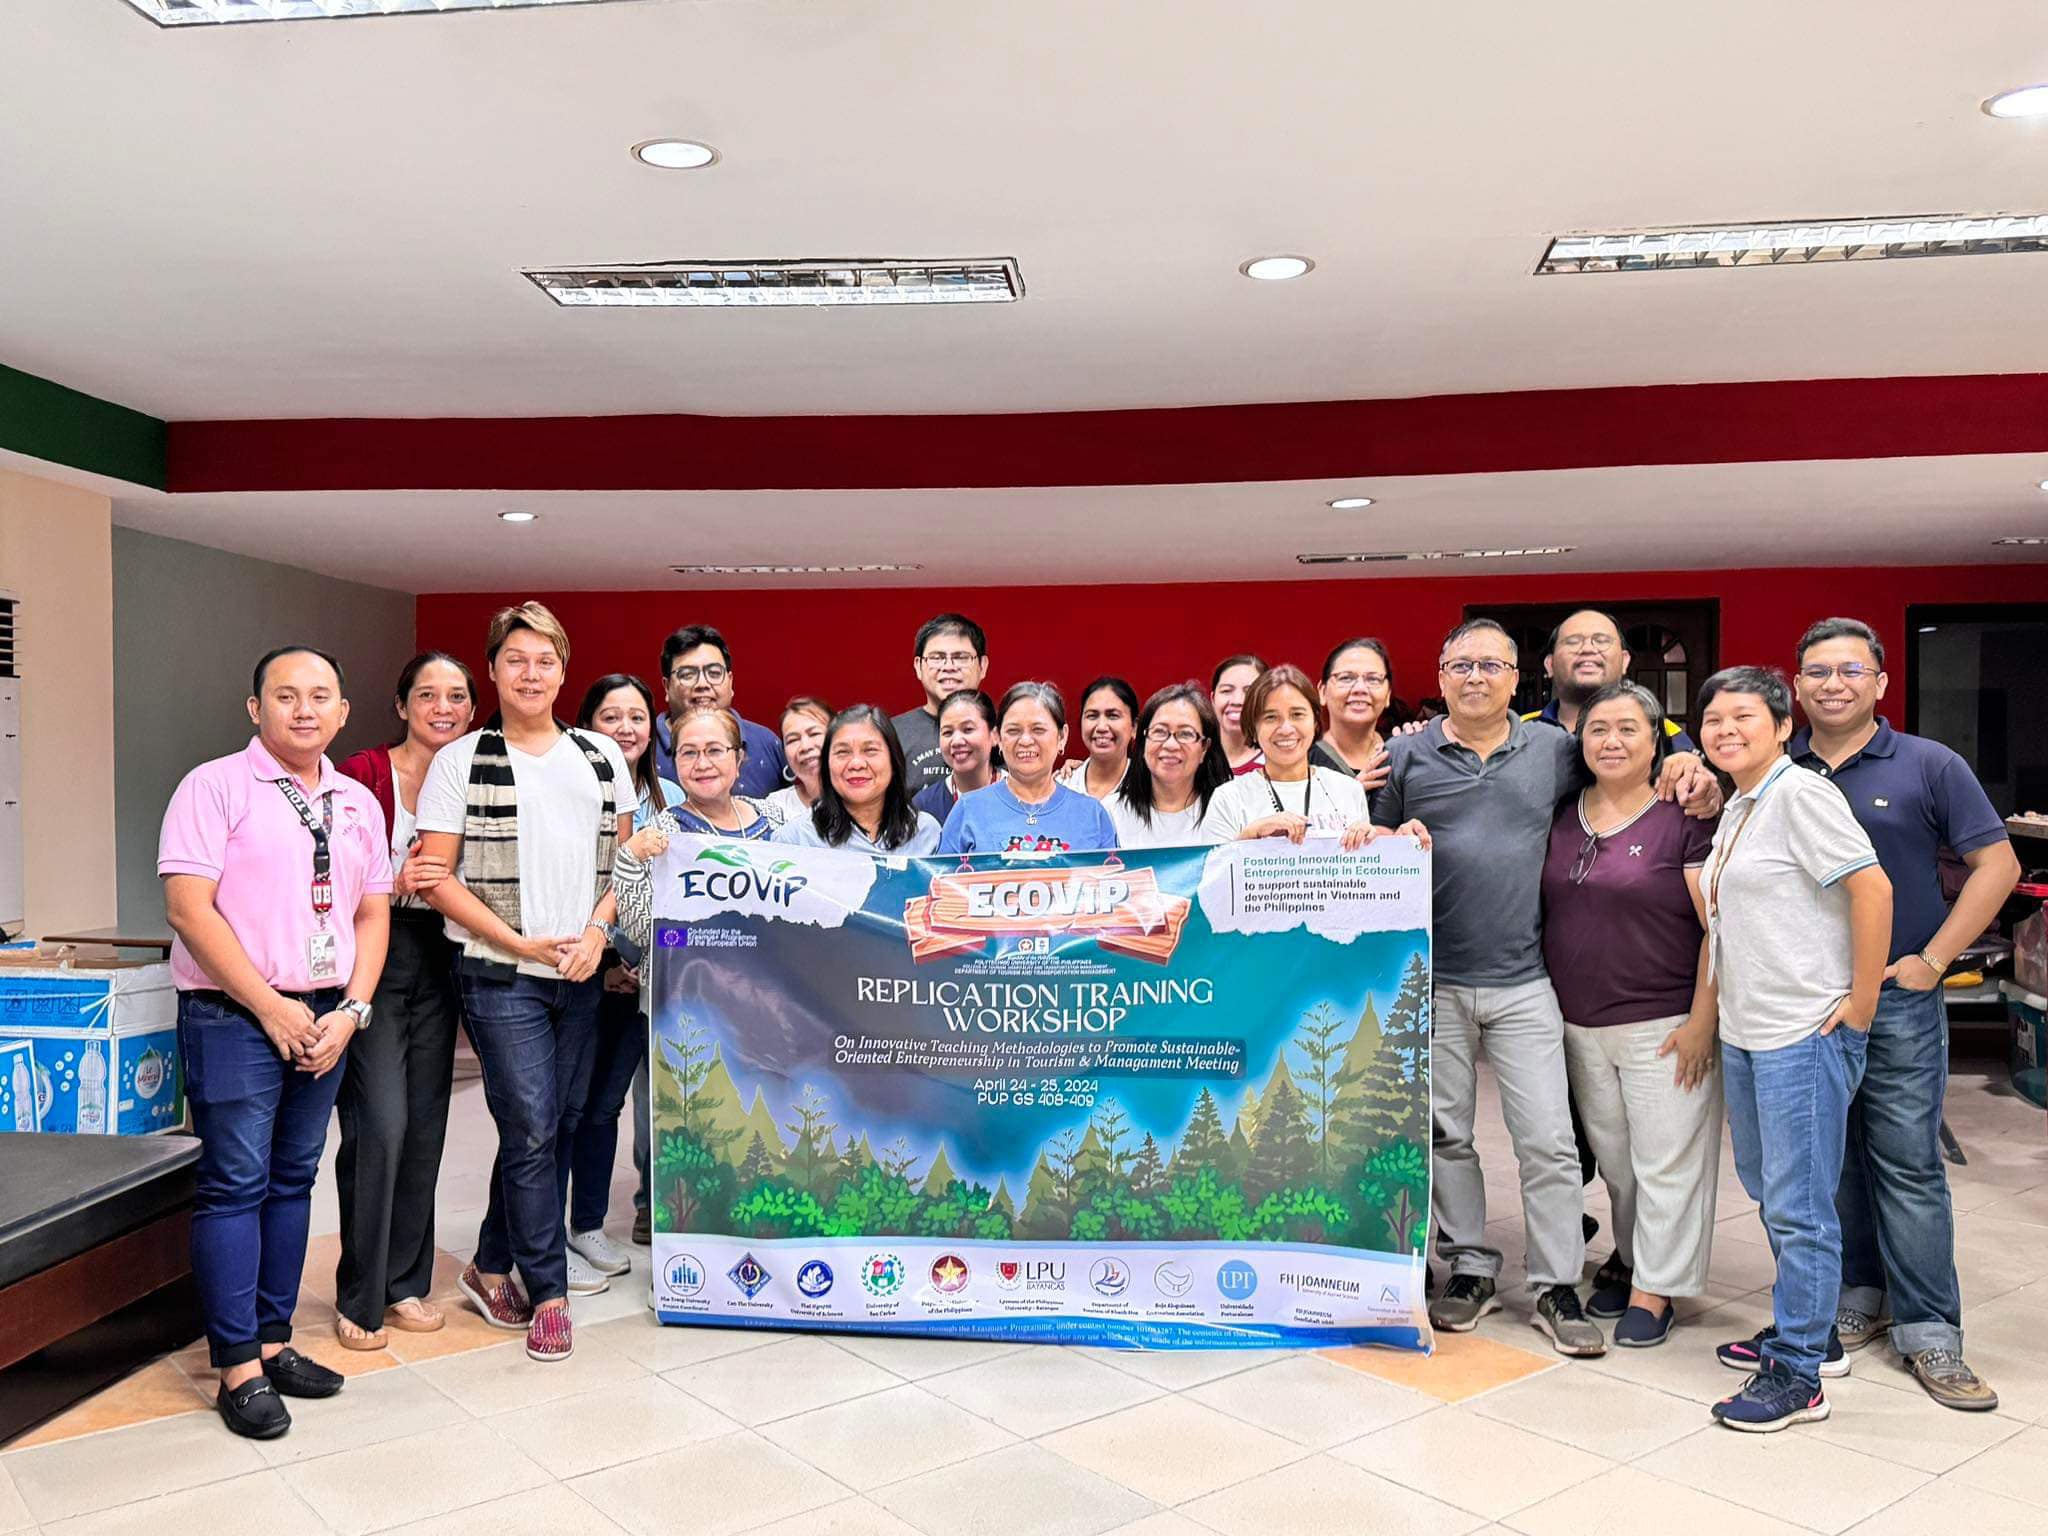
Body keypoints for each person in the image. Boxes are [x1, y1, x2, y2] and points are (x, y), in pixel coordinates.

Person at [1372, 618, 1721, 1359]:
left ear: (1514, 678)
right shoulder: (1404, 755)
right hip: (1432, 980)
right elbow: (1367, 845)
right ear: (1438, 677)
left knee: (1551, 1142)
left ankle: (1557, 1281)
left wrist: (1690, 768)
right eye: (1460, 664)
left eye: (1490, 665)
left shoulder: (1556, 749)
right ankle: (1469, 1265)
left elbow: (1627, 763)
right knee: (1446, 1136)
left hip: (1528, 980)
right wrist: (1389, 835)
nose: (1474, 677)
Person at [159, 646, 391, 1438]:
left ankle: (273, 1339)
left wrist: (351, 1010)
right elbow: (191, 911)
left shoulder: (359, 801)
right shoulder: (213, 787)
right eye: (284, 695)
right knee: (235, 1183)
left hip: (328, 1015)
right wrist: (272, 1008)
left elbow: (371, 912)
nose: (303, 709)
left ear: (343, 712)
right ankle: (236, 1366)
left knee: (294, 1179)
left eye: (320, 695)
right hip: (234, 1014)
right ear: (254, 708)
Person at [1790, 618, 2020, 1410]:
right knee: (1835, 1160)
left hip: (1897, 998)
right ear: (1796, 686)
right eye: (1816, 671)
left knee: (1907, 1162)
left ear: (1881, 683)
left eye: (1851, 670)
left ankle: (1930, 1332)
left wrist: (1937, 959)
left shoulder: (1928, 764)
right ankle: (1862, 1292)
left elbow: (1999, 864)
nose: (1833, 684)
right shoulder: (1780, 769)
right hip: (1807, 1003)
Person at [415, 602, 633, 1364]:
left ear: (563, 669)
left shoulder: (603, 756)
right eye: (516, 660)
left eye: (544, 660)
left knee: (557, 1123)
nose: (531, 673)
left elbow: (628, 867)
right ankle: (549, 1294)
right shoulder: (461, 760)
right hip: (500, 971)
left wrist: (599, 934)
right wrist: (518, 942)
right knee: (535, 1124)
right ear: (494, 671)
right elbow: (433, 875)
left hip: (579, 970)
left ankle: (488, 1259)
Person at [1698, 665, 1892, 1432]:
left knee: (1801, 1204)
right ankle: (1801, 1329)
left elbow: (1871, 890)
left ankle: (1802, 1372)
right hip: (1749, 1029)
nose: (1725, 731)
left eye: (1744, 717)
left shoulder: (1803, 795)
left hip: (1801, 1033)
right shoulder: (1745, 803)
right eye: (1714, 720)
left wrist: (1862, 1002)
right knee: (1769, 1185)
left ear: (1783, 726)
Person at [1540, 680, 1722, 1349]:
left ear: (1657, 741)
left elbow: (1718, 929)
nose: (1611, 741)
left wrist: (1703, 1020)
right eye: (1597, 730)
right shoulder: (1562, 814)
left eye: (1627, 729)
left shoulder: (1685, 816)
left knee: (1667, 1159)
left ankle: (1658, 1286)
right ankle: (1633, 1254)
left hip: (1664, 1019)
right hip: (1578, 1021)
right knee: (1617, 1162)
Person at [331, 652, 474, 1352]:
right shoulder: (361, 774)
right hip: (372, 954)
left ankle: (405, 1284)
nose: (441, 707)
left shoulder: (479, 774)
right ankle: (359, 1292)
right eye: (427, 694)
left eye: (455, 696)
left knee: (425, 1123)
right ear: (401, 704)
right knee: (378, 1124)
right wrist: (394, 880)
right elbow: (327, 866)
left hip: (445, 952)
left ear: (473, 710)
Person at [562, 674, 683, 1287]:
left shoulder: (672, 803)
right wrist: (609, 961)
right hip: (584, 970)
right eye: (612, 717)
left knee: (607, 1105)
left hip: (646, 982)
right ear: (587, 725)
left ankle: (586, 1226)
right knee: (567, 1104)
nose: (627, 729)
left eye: (638, 717)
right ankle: (545, 1233)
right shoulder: (569, 788)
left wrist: (636, 965)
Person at [1201, 665, 1379, 847]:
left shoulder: (1349, 790)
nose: (1286, 729)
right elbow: (1213, 872)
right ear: (1253, 729)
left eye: (1297, 714)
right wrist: (1249, 836)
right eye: (1270, 717)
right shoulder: (1228, 799)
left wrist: (1367, 845)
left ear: (1316, 722)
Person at [938, 682, 1119, 853]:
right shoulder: (968, 810)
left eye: (1038, 729)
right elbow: (941, 883)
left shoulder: (1092, 815)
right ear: (999, 738)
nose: (1025, 741)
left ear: (1062, 737)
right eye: (1013, 731)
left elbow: (1114, 880)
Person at [773, 705, 941, 853]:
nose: (856, 764)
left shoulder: (926, 832)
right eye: (842, 752)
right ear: (827, 765)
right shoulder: (795, 840)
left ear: (893, 759)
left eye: (870, 750)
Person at [1527, 608, 1697, 750]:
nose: (1587, 649)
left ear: (1625, 661)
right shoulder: (1519, 732)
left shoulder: (1662, 733)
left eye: (1601, 641)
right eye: (1572, 641)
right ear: (1549, 665)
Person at [651, 624, 787, 798]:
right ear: (667, 686)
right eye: (687, 675)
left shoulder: (766, 743)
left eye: (714, 673)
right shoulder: (644, 747)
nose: (702, 684)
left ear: (730, 682)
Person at [1109, 683, 1233, 847]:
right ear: (1143, 741)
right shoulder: (1111, 812)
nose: (1171, 745)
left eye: (1186, 734)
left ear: (1204, 748)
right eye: (1160, 731)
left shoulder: (1230, 809)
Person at [893, 613, 990, 795]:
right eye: (937, 657)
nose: (948, 666)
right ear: (918, 666)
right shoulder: (892, 733)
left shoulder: (1004, 729)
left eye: (960, 657)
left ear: (982, 666)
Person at [1309, 638, 1396, 781]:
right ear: (1322, 692)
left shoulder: (1402, 752)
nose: (1360, 689)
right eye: (1346, 678)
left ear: (1388, 695)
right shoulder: (1301, 760)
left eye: (1373, 679)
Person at [911, 688, 1001, 824]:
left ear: (994, 736)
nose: (957, 741)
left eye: (968, 729)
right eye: (947, 732)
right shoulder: (924, 805)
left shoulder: (1022, 794)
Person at [1058, 676, 1138, 800]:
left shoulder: (1151, 788)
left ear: (1134, 727)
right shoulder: (1061, 786)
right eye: (1092, 716)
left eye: (1113, 716)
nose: (1101, 727)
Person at [763, 696, 831, 827]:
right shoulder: (776, 806)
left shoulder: (863, 798)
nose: (805, 747)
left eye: (814, 734)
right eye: (793, 740)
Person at [1210, 654, 1266, 775]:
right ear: (1213, 699)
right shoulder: (1193, 761)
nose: (1237, 701)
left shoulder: (1278, 765)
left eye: (1249, 692)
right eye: (1226, 691)